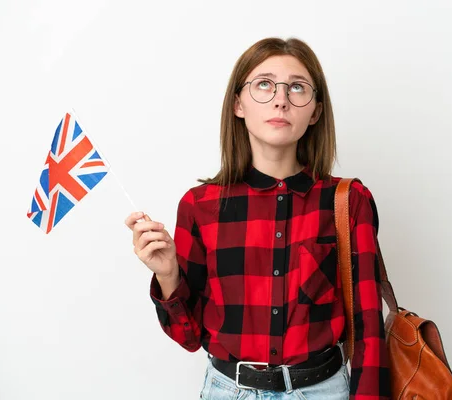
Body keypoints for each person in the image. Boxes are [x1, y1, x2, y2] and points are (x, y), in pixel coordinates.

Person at [125, 37, 391, 400]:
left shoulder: (347, 203)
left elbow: (369, 330)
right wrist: (168, 274)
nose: (281, 98)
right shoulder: (199, 206)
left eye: (297, 87)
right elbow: (188, 337)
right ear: (238, 104)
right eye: (264, 84)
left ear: (314, 111)